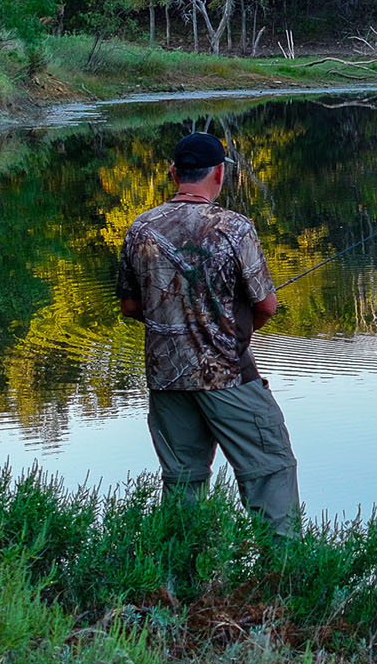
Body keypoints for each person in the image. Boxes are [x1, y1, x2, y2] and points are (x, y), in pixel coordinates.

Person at [117, 131, 300, 537]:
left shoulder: (140, 228)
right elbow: (266, 306)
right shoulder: (234, 228)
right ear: (219, 173)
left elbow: (130, 307)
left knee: (182, 481)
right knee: (271, 469)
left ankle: (177, 580)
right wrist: (235, 331)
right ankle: (288, 576)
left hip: (166, 378)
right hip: (228, 376)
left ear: (173, 173)